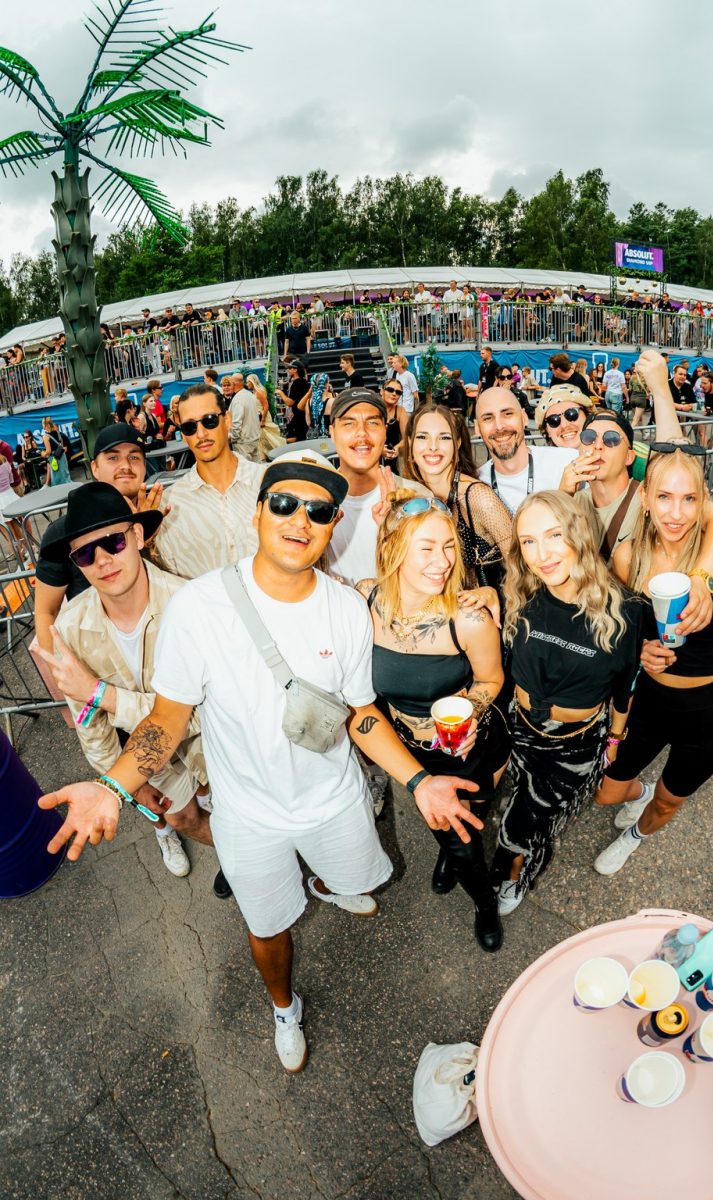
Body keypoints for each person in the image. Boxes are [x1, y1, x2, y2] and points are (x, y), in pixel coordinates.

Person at [41, 451, 481, 1074]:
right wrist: (111, 787)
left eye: (319, 511)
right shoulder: (200, 608)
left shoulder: (345, 610)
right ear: (257, 513)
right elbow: (167, 719)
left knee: (353, 880)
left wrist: (419, 780)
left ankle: (326, 884)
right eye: (284, 503)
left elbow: (361, 714)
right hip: (247, 817)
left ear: (333, 526)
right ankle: (283, 1005)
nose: (300, 519)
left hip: (334, 800)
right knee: (268, 926)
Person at [36, 482, 214, 880]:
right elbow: (90, 723)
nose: (102, 561)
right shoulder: (71, 628)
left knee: (242, 818)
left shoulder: (191, 605)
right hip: (142, 758)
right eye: (85, 553)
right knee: (182, 819)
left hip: (211, 744)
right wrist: (124, 784)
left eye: (113, 542)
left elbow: (206, 712)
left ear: (136, 536)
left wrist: (104, 695)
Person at [357, 493, 509, 950]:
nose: (442, 562)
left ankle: (483, 904)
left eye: (448, 547)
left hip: (468, 747)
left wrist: (471, 710)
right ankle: (465, 874)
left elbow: (491, 679)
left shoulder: (469, 618)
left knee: (468, 824)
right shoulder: (364, 599)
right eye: (426, 548)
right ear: (393, 549)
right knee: (454, 834)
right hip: (408, 749)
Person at [594, 446, 713, 874]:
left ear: (704, 503)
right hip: (648, 704)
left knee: (669, 803)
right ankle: (640, 793)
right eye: (664, 497)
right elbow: (619, 633)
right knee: (606, 792)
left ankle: (636, 836)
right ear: (645, 498)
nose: (676, 513)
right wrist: (640, 651)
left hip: (708, 714)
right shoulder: (628, 557)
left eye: (689, 499)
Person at [491, 490, 642, 915]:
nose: (542, 554)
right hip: (519, 728)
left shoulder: (626, 611)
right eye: (529, 541)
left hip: (573, 747)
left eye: (554, 535)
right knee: (515, 797)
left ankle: (513, 873)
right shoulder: (518, 594)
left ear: (579, 533)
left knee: (522, 820)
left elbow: (625, 686)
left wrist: (615, 740)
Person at [560, 353, 713, 624]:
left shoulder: (654, 499)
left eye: (611, 439)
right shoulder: (571, 501)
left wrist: (660, 388)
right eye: (589, 437)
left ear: (630, 456)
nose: (598, 445)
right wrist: (563, 494)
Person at [34, 425, 169, 653]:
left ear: (144, 466)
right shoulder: (64, 532)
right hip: (97, 654)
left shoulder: (165, 514)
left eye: (134, 457)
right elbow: (46, 611)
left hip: (166, 642)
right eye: (113, 457)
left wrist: (147, 539)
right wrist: (58, 665)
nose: (125, 465)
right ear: (95, 468)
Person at [148, 383, 265, 581]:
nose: (201, 434)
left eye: (210, 420)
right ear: (183, 434)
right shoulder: (169, 504)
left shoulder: (266, 482)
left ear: (227, 420)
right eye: (190, 427)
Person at [403, 404, 512, 593]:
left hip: (486, 609)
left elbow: (521, 566)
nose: (433, 446)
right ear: (410, 442)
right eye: (422, 437)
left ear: (458, 443)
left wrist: (491, 596)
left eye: (444, 437)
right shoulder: (410, 497)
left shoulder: (478, 497)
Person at [328, 389, 428, 587]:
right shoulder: (315, 500)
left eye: (372, 423)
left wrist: (394, 528)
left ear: (385, 430)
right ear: (332, 432)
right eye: (349, 423)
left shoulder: (417, 497)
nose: (362, 433)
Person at [473, 388, 578, 516]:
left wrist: (564, 497)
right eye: (488, 418)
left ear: (524, 418)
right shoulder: (474, 487)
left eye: (508, 414)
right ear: (477, 428)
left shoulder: (566, 463)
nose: (499, 426)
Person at [229, 371, 262, 461]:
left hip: (243, 441)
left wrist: (233, 439)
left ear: (233, 383)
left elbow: (236, 422)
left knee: (245, 467)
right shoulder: (249, 394)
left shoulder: (238, 399)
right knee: (256, 466)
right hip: (254, 437)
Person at [275, 362, 311, 443]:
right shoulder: (300, 381)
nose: (288, 370)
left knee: (298, 438)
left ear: (295, 370)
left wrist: (280, 393)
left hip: (299, 416)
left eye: (290, 368)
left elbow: (290, 403)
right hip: (300, 415)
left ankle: (279, 443)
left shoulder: (297, 383)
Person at [380, 378, 409, 465]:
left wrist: (397, 447)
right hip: (372, 456)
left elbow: (407, 437)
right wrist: (379, 449)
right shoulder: (373, 409)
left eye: (398, 392)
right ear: (382, 391)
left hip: (392, 458)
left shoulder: (400, 411)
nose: (394, 394)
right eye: (390, 390)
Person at [42, 417, 71, 486]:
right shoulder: (58, 433)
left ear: (45, 425)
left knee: (57, 479)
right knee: (65, 476)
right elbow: (62, 446)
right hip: (62, 457)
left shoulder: (46, 437)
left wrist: (43, 454)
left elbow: (48, 451)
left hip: (54, 459)